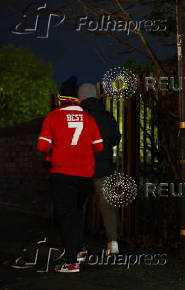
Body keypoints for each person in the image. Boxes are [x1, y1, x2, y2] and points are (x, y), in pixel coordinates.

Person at [37, 77, 103, 273]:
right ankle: (78, 250)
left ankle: (72, 261)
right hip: (85, 175)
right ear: (77, 100)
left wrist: (54, 151)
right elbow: (98, 147)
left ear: (60, 98)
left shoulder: (53, 117)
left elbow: (42, 146)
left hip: (62, 173)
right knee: (76, 213)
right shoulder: (90, 119)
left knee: (64, 216)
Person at [79, 83, 121, 256]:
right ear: (95, 96)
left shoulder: (79, 116)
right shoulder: (107, 116)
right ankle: (113, 244)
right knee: (108, 207)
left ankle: (78, 246)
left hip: (81, 169)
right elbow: (116, 139)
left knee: (78, 207)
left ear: (80, 97)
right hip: (104, 168)